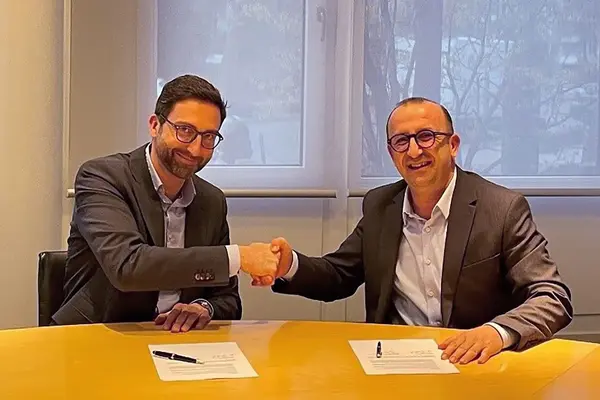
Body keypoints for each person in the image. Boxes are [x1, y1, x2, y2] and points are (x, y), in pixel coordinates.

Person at [258, 97, 573, 365]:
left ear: (453, 145)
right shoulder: (381, 206)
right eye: (401, 141)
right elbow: (338, 275)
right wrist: (289, 265)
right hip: (393, 363)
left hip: (473, 364)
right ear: (391, 153)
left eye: (426, 137)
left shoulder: (501, 208)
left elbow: (552, 296)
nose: (413, 151)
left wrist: (495, 333)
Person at [55, 75, 278, 332]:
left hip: (177, 342)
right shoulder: (102, 177)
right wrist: (240, 257)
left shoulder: (212, 201)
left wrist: (203, 308)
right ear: (155, 125)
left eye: (208, 136)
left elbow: (227, 299)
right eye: (185, 130)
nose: (196, 149)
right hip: (96, 336)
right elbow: (128, 267)